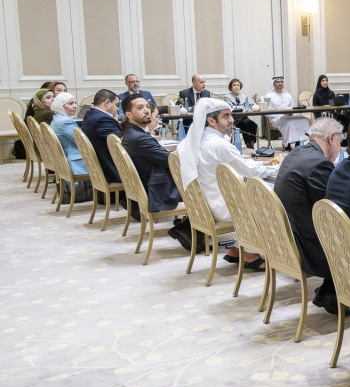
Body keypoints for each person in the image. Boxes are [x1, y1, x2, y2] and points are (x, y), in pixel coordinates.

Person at [177, 98, 278, 268]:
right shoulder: (218, 145)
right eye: (226, 116)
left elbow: (239, 165)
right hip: (223, 207)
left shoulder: (192, 142)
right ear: (211, 121)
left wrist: (264, 165)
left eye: (231, 115)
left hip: (206, 204)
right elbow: (250, 171)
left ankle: (237, 250)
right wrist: (278, 167)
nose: (231, 120)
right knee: (273, 200)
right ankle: (250, 252)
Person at [274, 117, 345, 314]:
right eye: (340, 142)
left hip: (286, 238)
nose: (341, 148)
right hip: (305, 247)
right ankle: (336, 294)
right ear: (331, 138)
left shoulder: (297, 152)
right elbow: (331, 212)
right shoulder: (319, 164)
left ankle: (330, 291)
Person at [120, 94, 192, 250]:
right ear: (129, 114)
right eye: (140, 108)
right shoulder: (138, 137)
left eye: (147, 106)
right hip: (159, 190)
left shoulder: (134, 133)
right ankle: (190, 231)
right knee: (206, 184)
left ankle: (190, 226)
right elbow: (172, 162)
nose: (146, 110)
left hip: (153, 183)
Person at [82, 89, 122, 184]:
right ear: (107, 102)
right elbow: (121, 143)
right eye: (116, 105)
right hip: (112, 170)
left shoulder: (90, 114)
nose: (118, 109)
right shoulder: (102, 120)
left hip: (102, 165)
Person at [264, 76, 309, 151]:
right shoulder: (268, 96)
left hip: (289, 116)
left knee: (303, 119)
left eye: (281, 82)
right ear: (273, 84)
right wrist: (282, 114)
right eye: (277, 82)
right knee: (289, 122)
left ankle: (299, 142)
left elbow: (293, 107)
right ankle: (287, 145)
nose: (280, 83)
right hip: (276, 118)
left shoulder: (287, 95)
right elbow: (266, 112)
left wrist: (292, 113)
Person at [50, 93, 88, 176]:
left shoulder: (57, 118)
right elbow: (82, 141)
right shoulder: (65, 122)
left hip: (67, 156)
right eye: (71, 103)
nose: (75, 106)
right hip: (77, 161)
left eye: (75, 103)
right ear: (60, 106)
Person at [224, 78, 258, 149]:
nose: (236, 87)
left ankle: (251, 143)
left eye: (238, 85)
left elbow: (246, 108)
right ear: (231, 87)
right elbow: (230, 108)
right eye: (234, 85)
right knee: (245, 126)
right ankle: (248, 144)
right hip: (234, 118)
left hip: (243, 117)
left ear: (240, 87)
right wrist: (240, 109)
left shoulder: (244, 96)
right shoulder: (227, 96)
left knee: (253, 125)